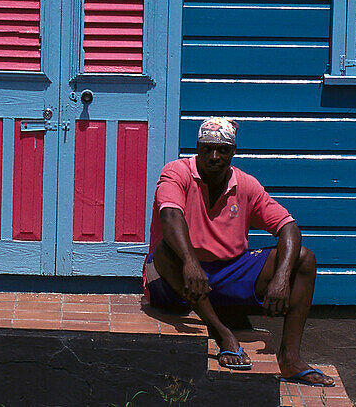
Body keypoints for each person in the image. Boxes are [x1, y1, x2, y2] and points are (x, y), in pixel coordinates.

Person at [142, 116, 335, 387]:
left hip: (224, 274)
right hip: (175, 280)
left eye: (222, 149)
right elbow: (171, 216)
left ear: (233, 151)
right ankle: (222, 333)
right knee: (164, 251)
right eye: (207, 148)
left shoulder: (245, 184)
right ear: (197, 148)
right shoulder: (176, 172)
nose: (214, 156)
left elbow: (287, 226)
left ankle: (290, 359)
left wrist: (281, 277)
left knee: (304, 258)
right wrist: (190, 261)